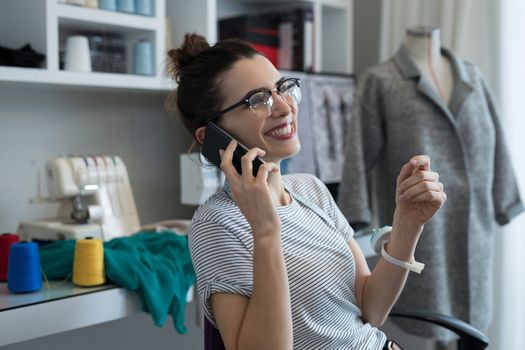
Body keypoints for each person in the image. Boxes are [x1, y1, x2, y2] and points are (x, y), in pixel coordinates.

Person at [166, 33, 446, 350]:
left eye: (283, 89)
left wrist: (408, 224)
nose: (285, 106)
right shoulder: (216, 224)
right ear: (212, 136)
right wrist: (266, 231)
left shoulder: (310, 189)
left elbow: (372, 309)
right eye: (258, 100)